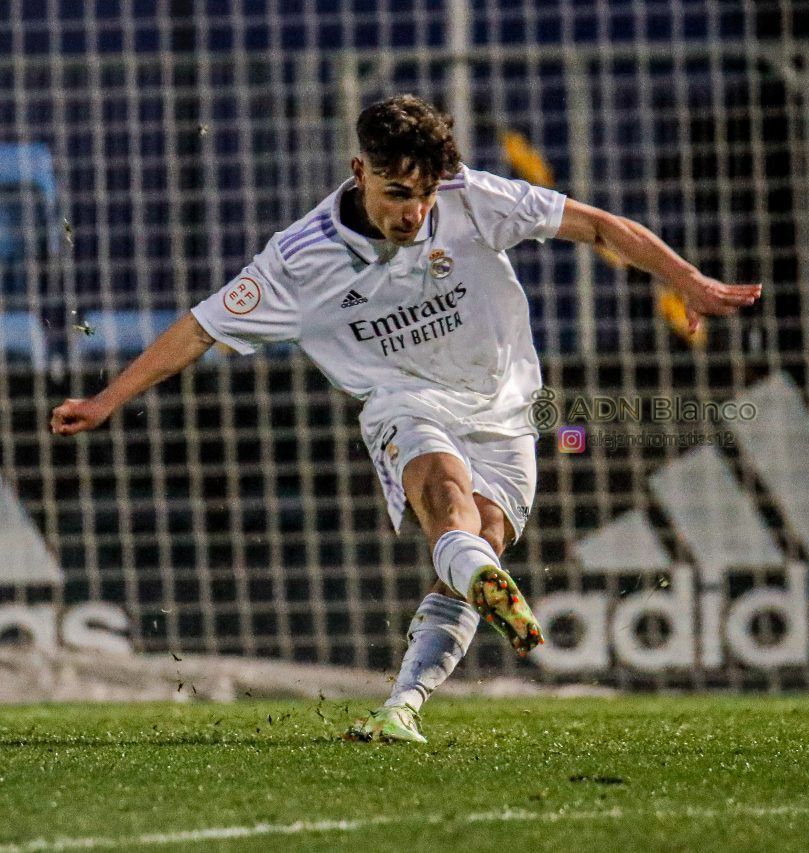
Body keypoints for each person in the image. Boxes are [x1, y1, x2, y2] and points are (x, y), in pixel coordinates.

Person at [50, 94, 760, 743]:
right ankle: (480, 584)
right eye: (396, 193)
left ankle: (404, 704)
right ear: (359, 171)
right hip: (403, 398)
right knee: (448, 500)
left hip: (506, 405)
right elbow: (201, 328)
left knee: (481, 537)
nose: (413, 212)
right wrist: (106, 399)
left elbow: (596, 225)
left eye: (422, 194)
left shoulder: (470, 197)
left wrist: (686, 279)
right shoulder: (299, 259)